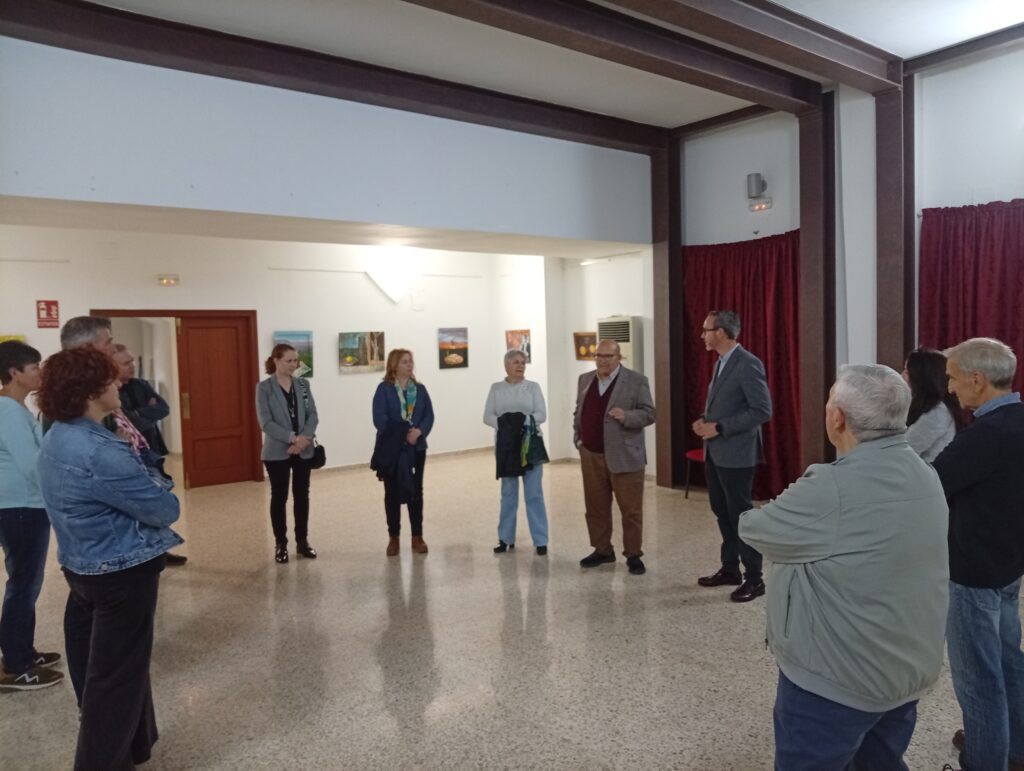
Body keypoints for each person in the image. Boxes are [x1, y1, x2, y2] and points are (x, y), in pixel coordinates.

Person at [740, 364, 949, 769]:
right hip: (906, 669)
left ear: (837, 418)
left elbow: (754, 528)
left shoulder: (830, 487)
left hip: (837, 680)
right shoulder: (926, 473)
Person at [36, 346, 182, 769]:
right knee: (115, 680)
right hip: (122, 573)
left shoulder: (57, 436)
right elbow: (164, 509)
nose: (119, 383)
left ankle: (135, 747)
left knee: (103, 670)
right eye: (110, 377)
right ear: (89, 390)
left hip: (82, 567)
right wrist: (147, 471)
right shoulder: (100, 450)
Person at [932, 337, 1024, 771]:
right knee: (1008, 661)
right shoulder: (1017, 421)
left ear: (976, 379)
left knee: (978, 679)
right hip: (1009, 563)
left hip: (972, 570)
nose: (950, 388)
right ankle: (1014, 747)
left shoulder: (985, 436)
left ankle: (985, 760)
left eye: (952, 379)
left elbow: (933, 484)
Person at [692, 309, 772, 602]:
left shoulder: (748, 364)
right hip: (715, 453)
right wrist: (705, 421)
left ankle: (755, 578)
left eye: (706, 329)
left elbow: (762, 410)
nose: (702, 335)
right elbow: (725, 404)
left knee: (741, 516)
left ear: (721, 332)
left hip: (737, 454)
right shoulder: (721, 363)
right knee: (722, 512)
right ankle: (730, 569)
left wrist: (720, 427)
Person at [0, 341, 64, 692]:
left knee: (24, 582)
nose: (41, 372)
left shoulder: (17, 408)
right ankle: (17, 664)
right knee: (24, 584)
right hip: (21, 507)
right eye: (35, 366)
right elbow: (31, 465)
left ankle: (21, 650)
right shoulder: (8, 410)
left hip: (22, 505)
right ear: (15, 372)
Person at [573, 339, 656, 575]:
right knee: (595, 507)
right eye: (598, 356)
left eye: (608, 356)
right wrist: (579, 440)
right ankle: (602, 550)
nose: (602, 360)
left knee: (631, 510)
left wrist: (627, 416)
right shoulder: (585, 379)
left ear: (618, 357)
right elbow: (579, 410)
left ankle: (633, 554)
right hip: (591, 455)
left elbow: (650, 414)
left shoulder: (636, 381)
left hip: (625, 456)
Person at [113, 344, 187, 566]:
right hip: (130, 454)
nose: (132, 366)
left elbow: (163, 409)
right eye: (126, 363)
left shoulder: (141, 385)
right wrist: (145, 413)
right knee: (139, 506)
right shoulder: (110, 392)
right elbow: (128, 421)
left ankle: (161, 549)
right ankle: (146, 552)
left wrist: (137, 414)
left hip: (151, 450)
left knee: (157, 499)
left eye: (132, 361)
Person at [255, 343, 319, 564]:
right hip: (276, 451)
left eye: (295, 360)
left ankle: (302, 541)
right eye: (289, 361)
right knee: (279, 497)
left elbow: (313, 415)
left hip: (303, 449)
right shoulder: (264, 388)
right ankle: (281, 543)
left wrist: (302, 442)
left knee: (302, 495)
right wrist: (293, 438)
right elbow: (266, 423)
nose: (294, 365)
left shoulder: (303, 384)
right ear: (276, 360)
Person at [483, 349, 549, 556]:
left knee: (534, 493)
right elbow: (487, 416)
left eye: (523, 362)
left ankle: (541, 540)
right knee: (508, 493)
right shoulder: (496, 388)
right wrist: (507, 426)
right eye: (515, 362)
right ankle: (505, 538)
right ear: (506, 365)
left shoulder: (533, 387)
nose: (520, 366)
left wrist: (520, 422)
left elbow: (541, 414)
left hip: (530, 445)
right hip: (506, 447)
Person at [371, 349, 434, 557]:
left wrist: (419, 431)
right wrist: (402, 433)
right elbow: (379, 418)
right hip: (392, 449)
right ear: (394, 365)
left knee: (416, 491)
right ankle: (394, 537)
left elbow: (429, 416)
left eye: (410, 361)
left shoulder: (420, 390)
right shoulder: (384, 389)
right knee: (391, 492)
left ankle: (417, 536)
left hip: (416, 448)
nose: (410, 365)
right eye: (405, 362)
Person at [902, 347, 962, 461]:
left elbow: (905, 449)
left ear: (922, 378)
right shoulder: (921, 405)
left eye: (906, 372)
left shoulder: (938, 412)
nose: (901, 376)